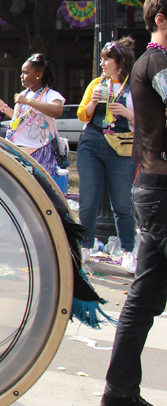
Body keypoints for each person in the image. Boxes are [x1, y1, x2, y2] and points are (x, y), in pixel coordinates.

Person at [100, 0, 167, 406]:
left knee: (143, 298)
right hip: (161, 191)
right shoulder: (157, 62)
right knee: (143, 298)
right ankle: (119, 392)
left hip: (154, 188)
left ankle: (120, 392)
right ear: (161, 19)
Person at [76, 37, 137, 260]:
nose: (102, 63)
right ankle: (85, 246)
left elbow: (148, 119)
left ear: (120, 62)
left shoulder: (134, 86)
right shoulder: (97, 83)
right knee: (88, 200)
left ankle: (127, 250)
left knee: (121, 203)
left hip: (121, 147)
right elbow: (82, 114)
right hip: (92, 142)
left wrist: (128, 113)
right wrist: (92, 102)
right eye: (101, 59)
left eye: (106, 59)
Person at [0, 53, 64, 179]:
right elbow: (21, 119)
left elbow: (57, 111)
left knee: (36, 190)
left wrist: (27, 102)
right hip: (18, 148)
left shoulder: (49, 94)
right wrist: (3, 108)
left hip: (38, 150)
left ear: (39, 75)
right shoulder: (25, 94)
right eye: (22, 72)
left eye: (26, 73)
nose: (21, 76)